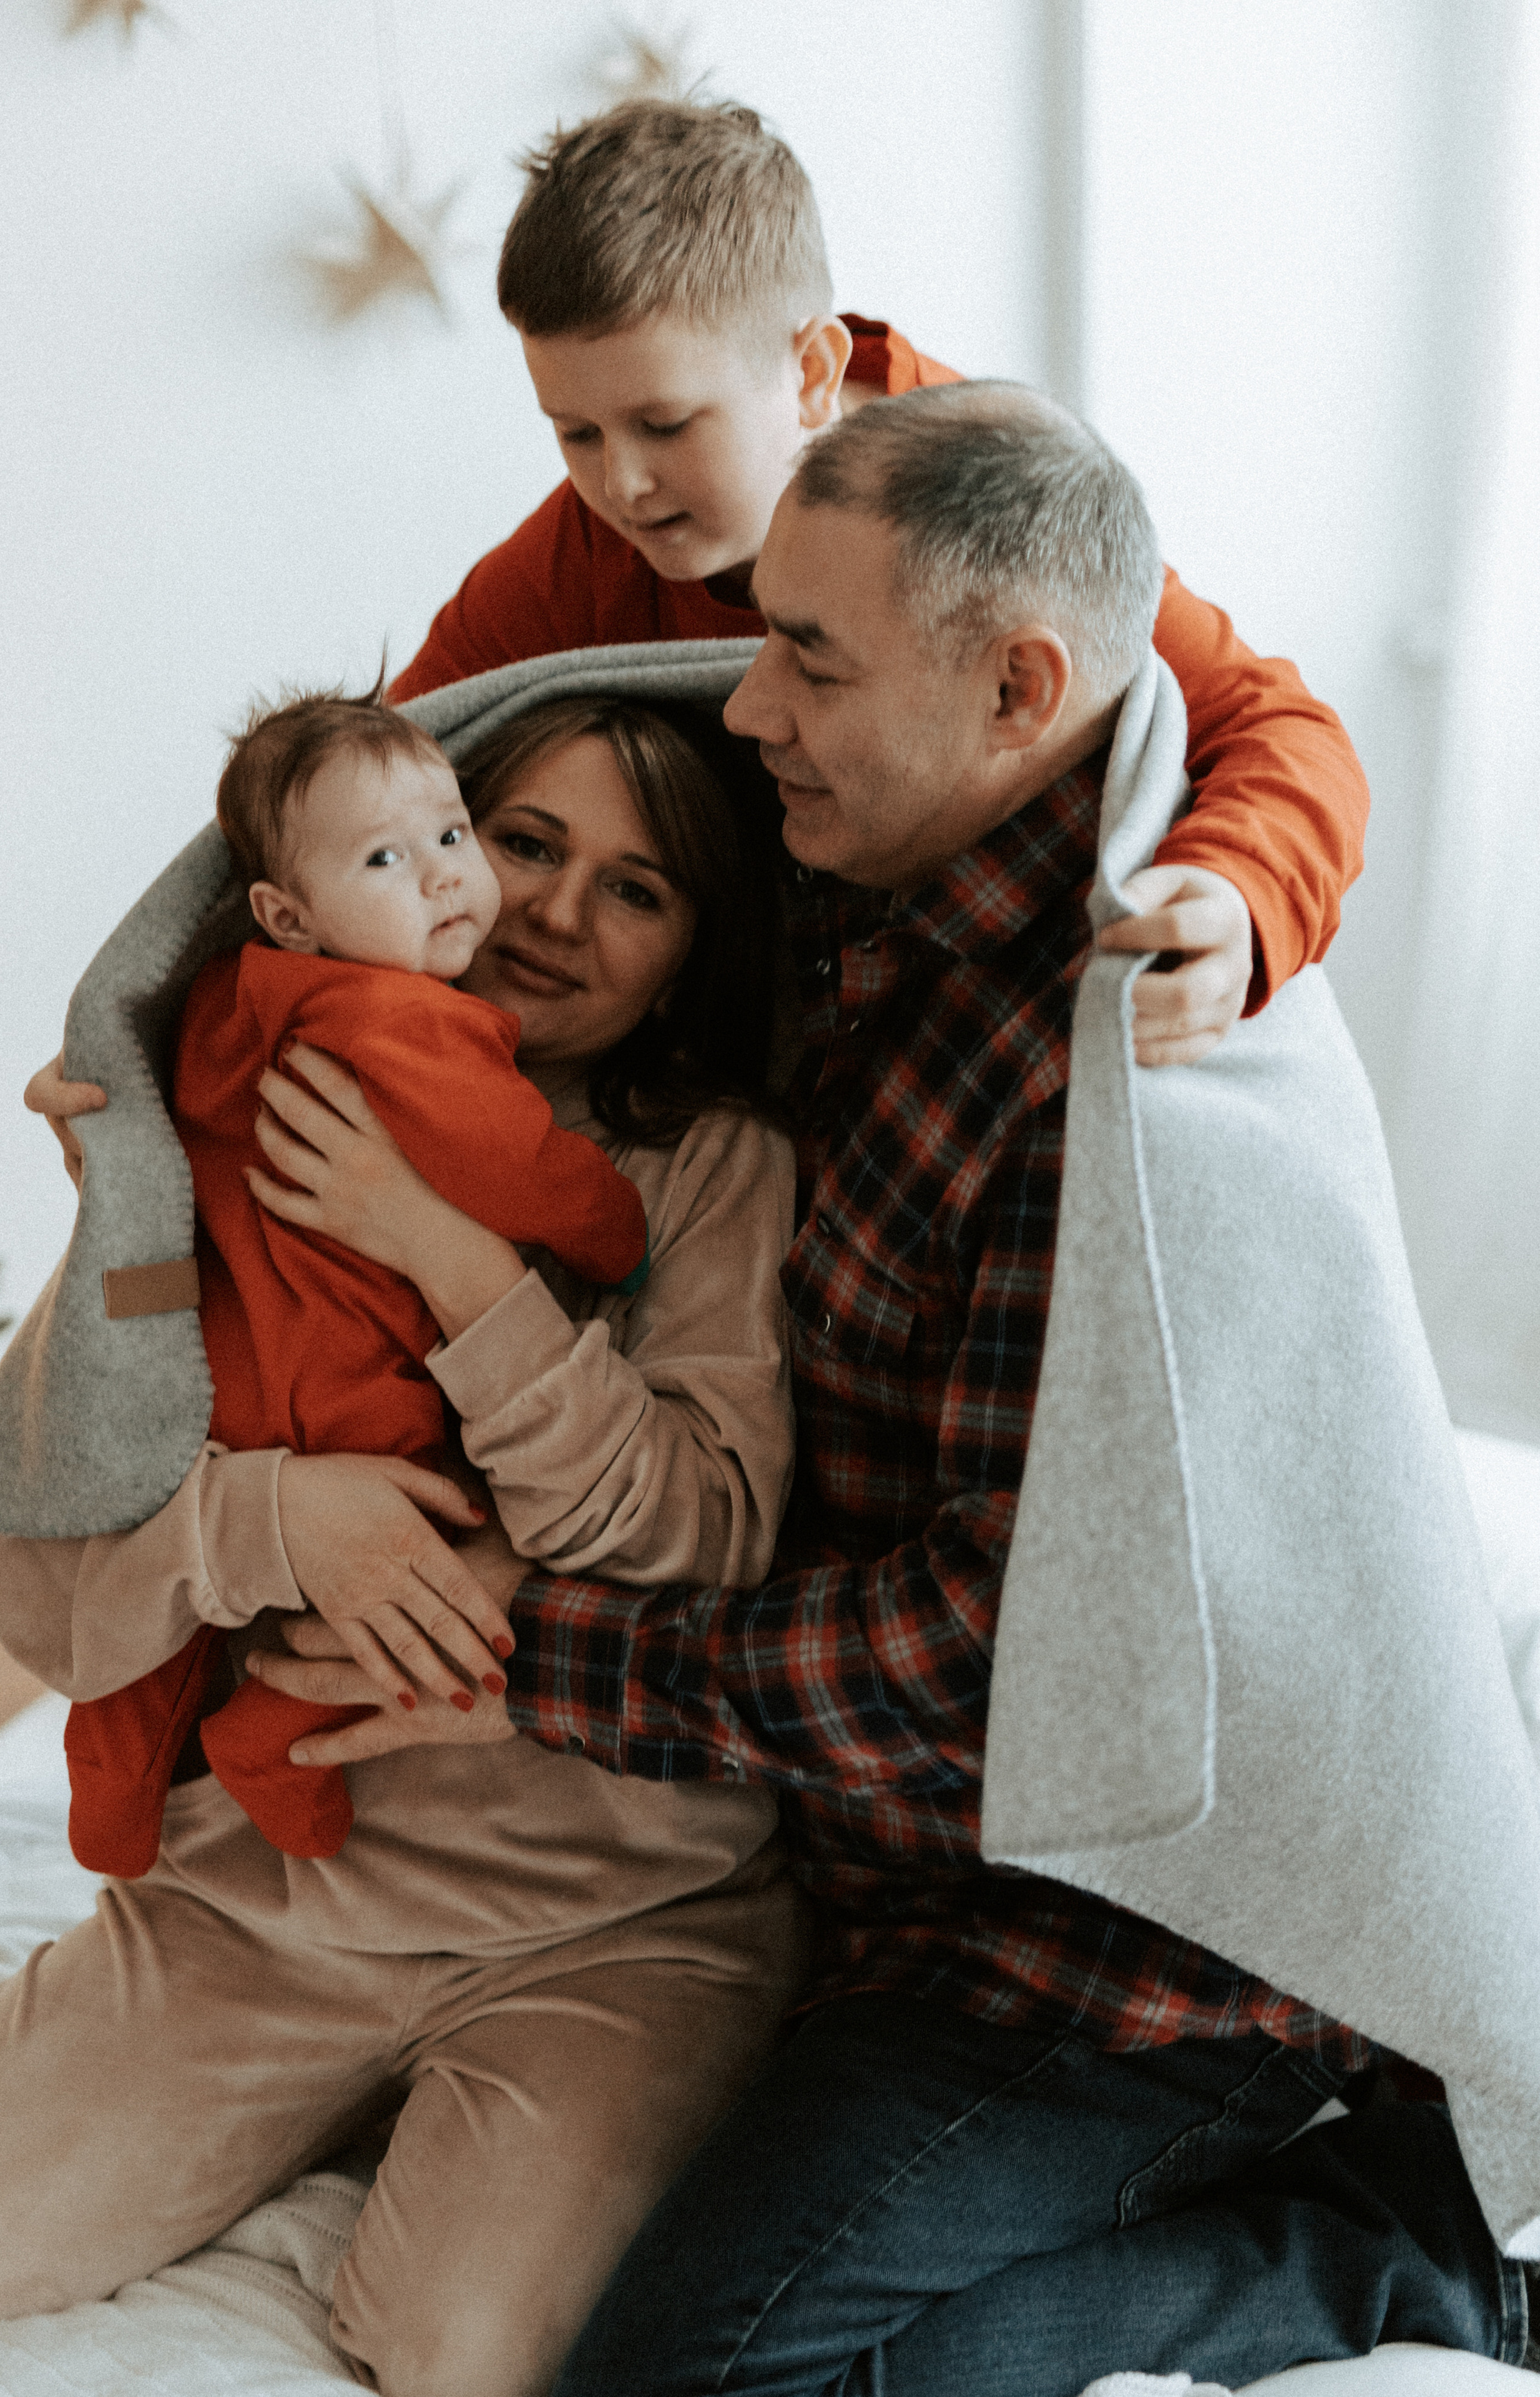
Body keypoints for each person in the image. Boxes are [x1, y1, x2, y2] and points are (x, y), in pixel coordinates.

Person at [249, 384, 1521, 2395]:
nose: (746, 709)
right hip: (864, 1883)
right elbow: (393, 821)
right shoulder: (864, 885)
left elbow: (1000, 1672)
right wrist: (178, 1068)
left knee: (690, 2377)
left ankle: (1394, 2268)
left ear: (1020, 689)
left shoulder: (1115, 1097)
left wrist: (532, 1654)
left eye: (808, 658)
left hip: (1119, 1963)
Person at [0, 692, 810, 2397]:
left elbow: (701, 1531)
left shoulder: (712, 1167)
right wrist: (268, 1522)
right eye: (530, 842)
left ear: (699, 942)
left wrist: (441, 1249)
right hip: (264, 1899)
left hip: (617, 1924)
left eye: (638, 890)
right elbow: (34, 1566)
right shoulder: (236, 1115)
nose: (552, 911)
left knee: (463, 2352)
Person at [388, 94, 1370, 1068]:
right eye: (576, 434)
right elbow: (383, 773)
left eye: (667, 424)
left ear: (815, 370)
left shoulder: (974, 509)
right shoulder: (585, 546)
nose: (623, 483)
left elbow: (1279, 726)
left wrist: (1239, 892)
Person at [64, 682, 652, 1879]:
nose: (446, 878)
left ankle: (111, 1794)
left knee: (154, 1640)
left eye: (451, 834)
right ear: (288, 913)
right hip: (347, 1385)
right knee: (449, 1561)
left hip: (218, 1372)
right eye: (388, 858)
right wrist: (613, 1224)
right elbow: (520, 1168)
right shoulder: (407, 1025)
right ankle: (277, 1737)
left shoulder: (227, 1005)